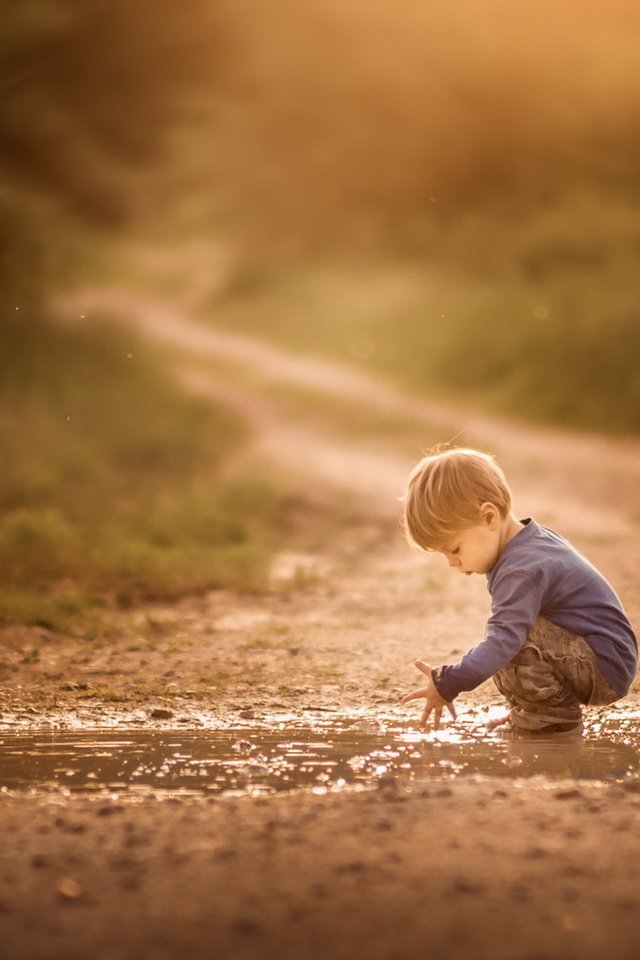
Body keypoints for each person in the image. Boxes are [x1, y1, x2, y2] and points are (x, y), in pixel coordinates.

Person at [400, 447, 637, 735]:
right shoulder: (527, 544)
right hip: (603, 656)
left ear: (488, 518)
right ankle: (532, 713)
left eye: (454, 549)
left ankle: (550, 722)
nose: (452, 563)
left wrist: (448, 682)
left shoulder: (521, 568)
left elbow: (505, 641)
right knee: (505, 636)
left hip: (603, 665)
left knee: (506, 641)